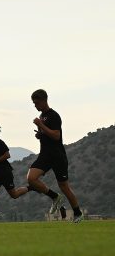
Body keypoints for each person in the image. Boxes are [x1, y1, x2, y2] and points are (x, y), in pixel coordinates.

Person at [27, 89, 83, 223]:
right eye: (33, 103)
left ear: (44, 100)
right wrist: (39, 134)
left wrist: (41, 126)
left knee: (64, 186)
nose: (35, 106)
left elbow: (56, 136)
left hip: (57, 155)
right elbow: (47, 134)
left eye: (36, 103)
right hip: (45, 155)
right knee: (31, 178)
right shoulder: (42, 116)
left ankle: (78, 213)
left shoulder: (53, 115)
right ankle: (55, 197)